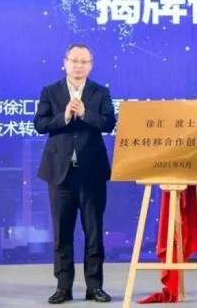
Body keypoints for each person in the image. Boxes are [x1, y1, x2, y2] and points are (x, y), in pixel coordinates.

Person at [34, 43, 116, 304]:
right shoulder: (51, 91)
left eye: (84, 62)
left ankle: (95, 286)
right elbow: (40, 124)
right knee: (62, 233)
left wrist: (85, 113)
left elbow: (109, 123)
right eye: (74, 61)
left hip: (91, 173)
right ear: (65, 63)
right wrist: (65, 117)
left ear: (90, 66)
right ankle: (63, 287)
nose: (79, 66)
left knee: (94, 232)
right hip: (60, 174)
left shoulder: (100, 92)